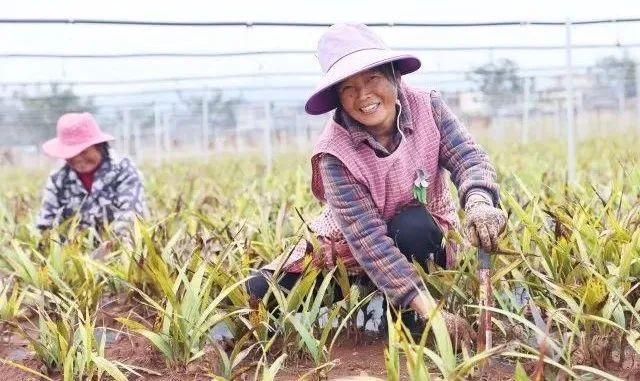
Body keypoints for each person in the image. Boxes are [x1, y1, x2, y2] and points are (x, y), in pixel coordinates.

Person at [248, 24, 506, 343]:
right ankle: (393, 297)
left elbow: (467, 157)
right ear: (338, 99)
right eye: (348, 88)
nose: (363, 96)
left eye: (372, 79)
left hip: (419, 235)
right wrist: (435, 313)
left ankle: (410, 321)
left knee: (412, 226)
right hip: (352, 249)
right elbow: (369, 242)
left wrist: (479, 201)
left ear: (394, 76)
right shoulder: (334, 153)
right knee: (260, 293)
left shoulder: (428, 106)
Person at [36, 112, 147, 238]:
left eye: (83, 152)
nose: (77, 158)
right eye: (70, 153)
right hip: (71, 252)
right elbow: (46, 225)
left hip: (118, 250)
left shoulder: (123, 171)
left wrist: (112, 251)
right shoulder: (58, 179)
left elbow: (130, 221)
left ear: (99, 146)